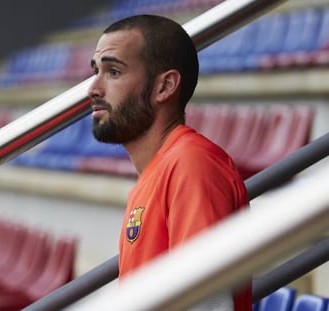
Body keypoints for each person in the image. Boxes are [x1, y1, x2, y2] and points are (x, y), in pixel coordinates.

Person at [88, 14, 251, 310]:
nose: (94, 89)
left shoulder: (192, 165)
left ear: (165, 87)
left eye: (113, 72)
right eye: (96, 71)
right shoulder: (158, 171)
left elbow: (205, 303)